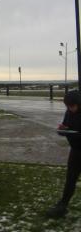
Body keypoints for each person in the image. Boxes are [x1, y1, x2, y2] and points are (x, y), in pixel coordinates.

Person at [47, 90, 81, 218]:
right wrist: (63, 129)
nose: (70, 109)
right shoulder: (69, 112)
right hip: (76, 151)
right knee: (70, 179)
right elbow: (67, 126)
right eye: (68, 106)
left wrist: (76, 134)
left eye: (72, 106)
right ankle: (62, 205)